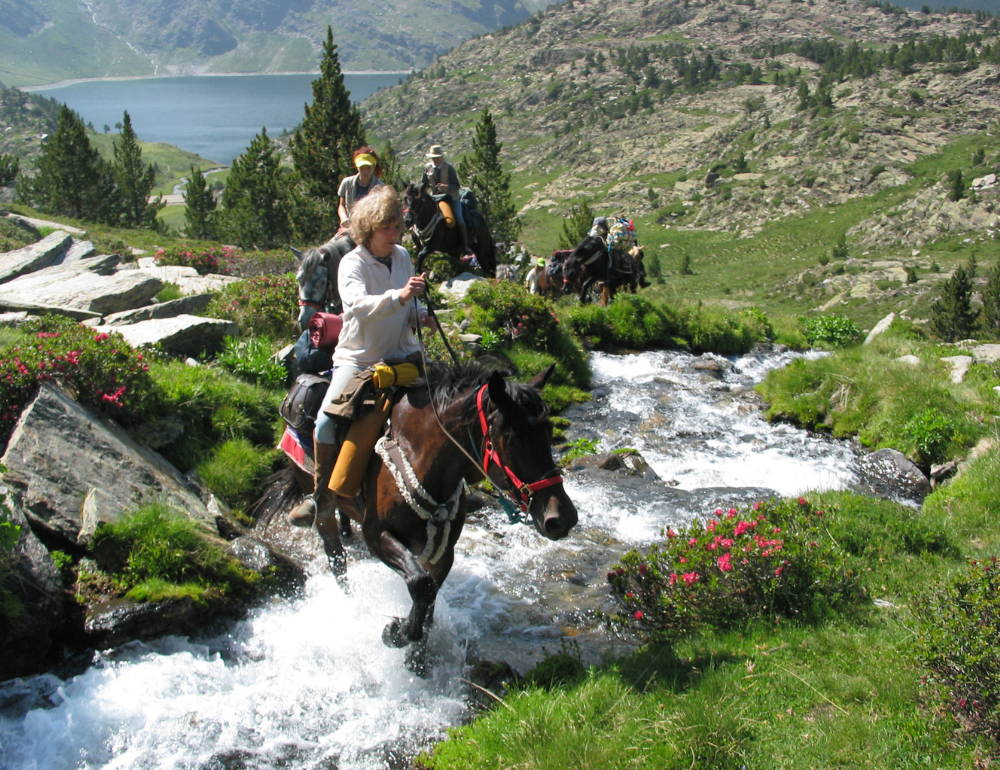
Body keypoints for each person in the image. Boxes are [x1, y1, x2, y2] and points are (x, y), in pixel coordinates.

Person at [288, 185, 438, 546]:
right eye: (387, 228)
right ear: (368, 228)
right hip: (358, 359)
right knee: (326, 419)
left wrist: (421, 314)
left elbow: (405, 308)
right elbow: (357, 306)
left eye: (397, 228)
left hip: (401, 354)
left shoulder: (401, 256)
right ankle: (322, 497)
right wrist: (400, 296)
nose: (394, 235)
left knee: (445, 403)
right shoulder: (352, 263)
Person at [420, 144, 475, 261]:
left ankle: (464, 245)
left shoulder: (449, 168)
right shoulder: (427, 168)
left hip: (451, 198)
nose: (434, 159)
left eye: (436, 157)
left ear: (441, 157)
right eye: (433, 157)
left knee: (459, 218)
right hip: (434, 198)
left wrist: (447, 187)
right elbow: (423, 184)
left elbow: (456, 186)